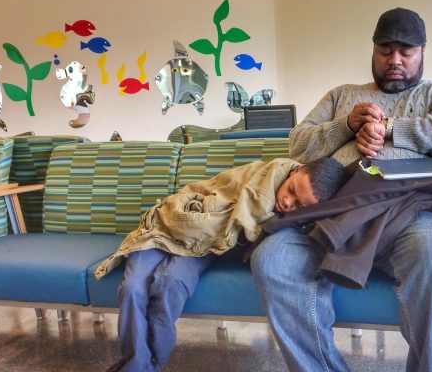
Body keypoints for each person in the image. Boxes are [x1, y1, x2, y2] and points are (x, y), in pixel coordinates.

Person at [251, 7, 432, 372]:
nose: (394, 60)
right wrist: (346, 125)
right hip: (333, 215)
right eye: (385, 50)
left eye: (406, 52)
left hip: (412, 216)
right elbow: (297, 144)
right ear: (372, 50)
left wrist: (390, 127)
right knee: (273, 259)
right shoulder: (342, 95)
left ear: (423, 51)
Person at [97, 156, 349, 372]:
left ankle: (145, 365)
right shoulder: (266, 176)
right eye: (291, 190)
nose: (287, 202)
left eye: (299, 206)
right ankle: (139, 364)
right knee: (132, 287)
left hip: (204, 245)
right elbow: (237, 202)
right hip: (166, 226)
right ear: (295, 169)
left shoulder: (294, 219)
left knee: (170, 285)